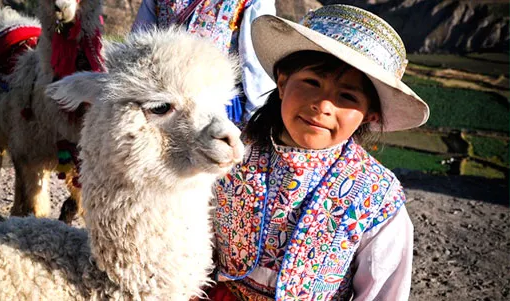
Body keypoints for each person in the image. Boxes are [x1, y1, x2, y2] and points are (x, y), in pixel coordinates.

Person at [210, 4, 429, 300]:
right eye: (312, 83)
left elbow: (382, 293)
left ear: (370, 115)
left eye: (347, 96)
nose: (323, 105)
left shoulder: (377, 200)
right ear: (283, 83)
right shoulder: (231, 155)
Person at [131, 0, 277, 123]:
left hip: (211, 102)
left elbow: (254, 58)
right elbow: (140, 47)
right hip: (167, 101)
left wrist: (256, 113)